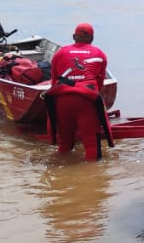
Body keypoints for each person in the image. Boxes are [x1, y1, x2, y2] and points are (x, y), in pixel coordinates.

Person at [46, 22, 109, 161]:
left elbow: (54, 82)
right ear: (92, 38)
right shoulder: (100, 54)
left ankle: (60, 171)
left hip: (63, 100)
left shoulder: (60, 53)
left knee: (64, 145)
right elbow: (99, 85)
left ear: (74, 36)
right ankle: (92, 177)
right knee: (91, 143)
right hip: (86, 101)